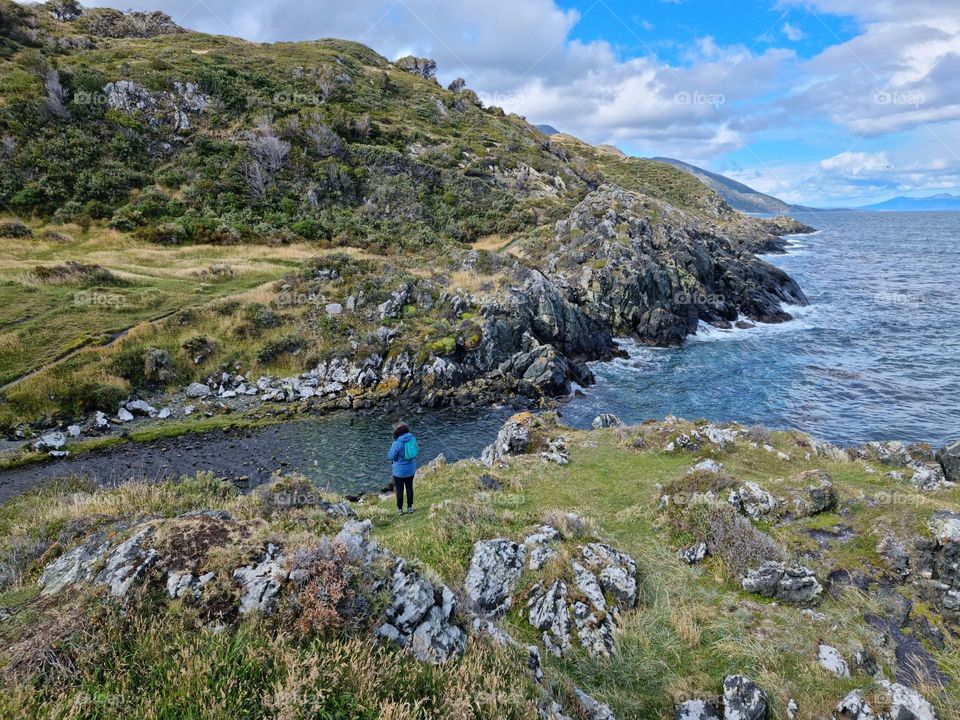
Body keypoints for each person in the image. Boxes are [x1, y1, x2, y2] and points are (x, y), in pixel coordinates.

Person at [387, 422, 418, 515]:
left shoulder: (397, 443)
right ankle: (410, 507)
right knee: (409, 488)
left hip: (399, 471)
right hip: (410, 469)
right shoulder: (412, 439)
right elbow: (416, 450)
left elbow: (391, 457)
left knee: (399, 490)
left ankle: (400, 509)